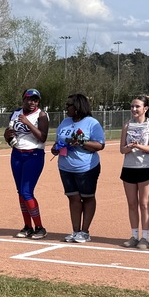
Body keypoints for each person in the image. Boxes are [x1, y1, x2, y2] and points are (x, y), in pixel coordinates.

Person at [53, 93, 106, 243]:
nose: (66, 108)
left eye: (68, 105)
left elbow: (100, 145)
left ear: (77, 107)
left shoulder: (91, 122)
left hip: (86, 168)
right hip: (65, 167)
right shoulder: (65, 122)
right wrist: (55, 148)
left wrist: (82, 142)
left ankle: (85, 232)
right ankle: (76, 231)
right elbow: (58, 141)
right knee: (73, 198)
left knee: (87, 198)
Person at [5, 88, 49, 240]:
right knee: (20, 192)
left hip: (34, 155)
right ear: (23, 99)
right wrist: (8, 135)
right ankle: (27, 226)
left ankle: (39, 227)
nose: (32, 102)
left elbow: (42, 137)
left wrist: (28, 123)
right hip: (17, 154)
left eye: (35, 100)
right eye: (30, 99)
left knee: (26, 192)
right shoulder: (16, 113)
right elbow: (10, 130)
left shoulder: (41, 115)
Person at [119, 95, 149, 249]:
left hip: (145, 168)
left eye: (138, 106)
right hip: (129, 168)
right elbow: (122, 149)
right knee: (132, 204)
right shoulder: (127, 125)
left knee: (144, 204)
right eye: (132, 106)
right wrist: (129, 147)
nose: (134, 109)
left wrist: (137, 146)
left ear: (145, 109)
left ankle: (145, 237)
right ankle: (134, 235)